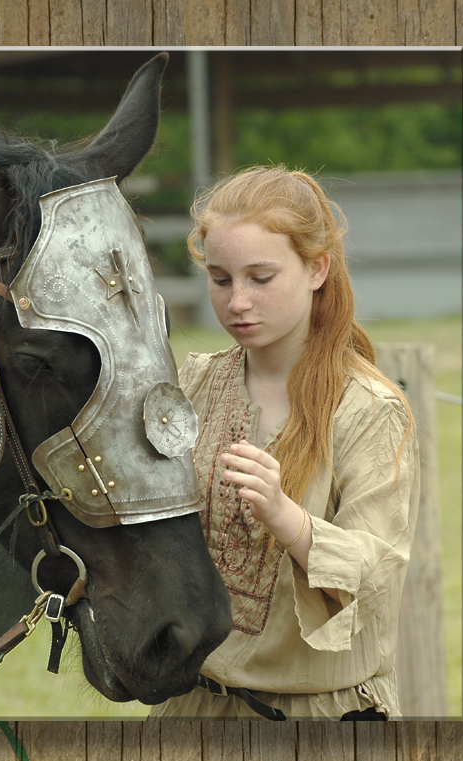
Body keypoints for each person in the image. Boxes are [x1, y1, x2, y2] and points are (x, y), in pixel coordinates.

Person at [148, 166, 420, 720]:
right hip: (191, 707)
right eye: (221, 280)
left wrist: (286, 517)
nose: (238, 301)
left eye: (261, 278)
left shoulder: (368, 408)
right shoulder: (196, 382)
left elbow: (376, 571)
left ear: (318, 268)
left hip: (315, 712)